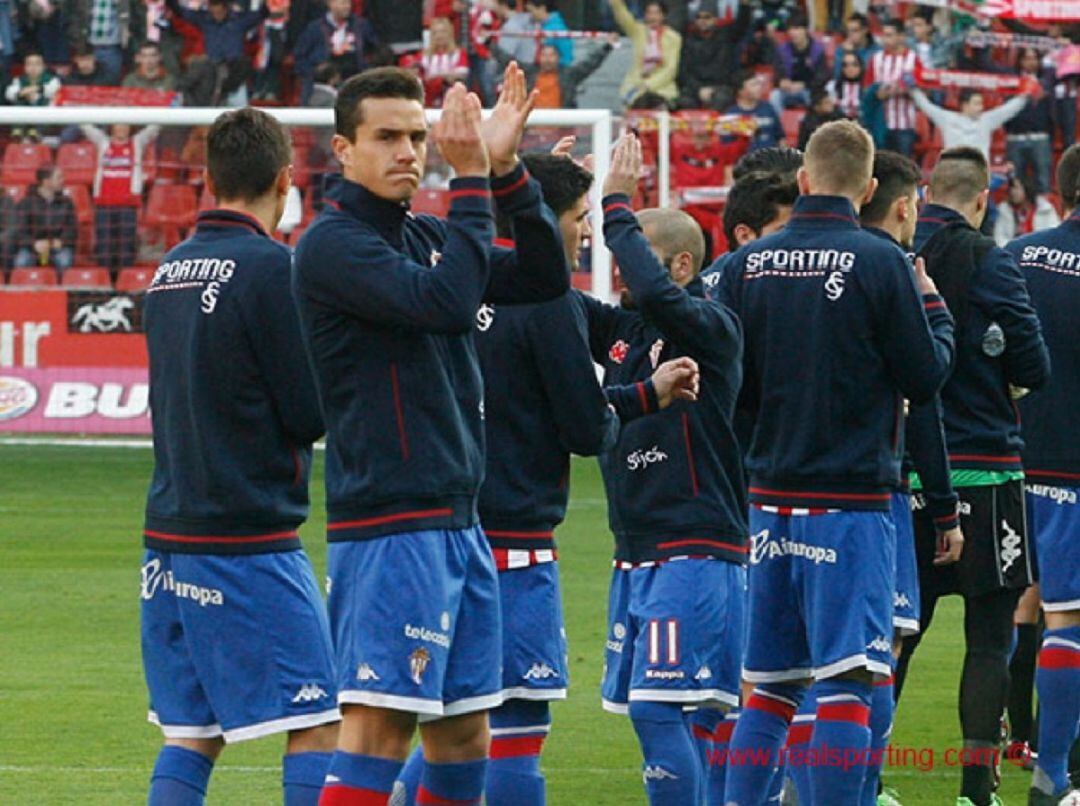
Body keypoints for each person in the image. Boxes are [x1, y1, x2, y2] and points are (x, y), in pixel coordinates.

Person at [292, 64, 568, 806]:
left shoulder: (423, 234)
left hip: (459, 520)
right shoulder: (333, 245)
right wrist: (472, 179)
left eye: (418, 136)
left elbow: (544, 277)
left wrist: (507, 173)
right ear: (344, 150)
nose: (409, 150)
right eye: (387, 137)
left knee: (463, 735)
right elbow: (448, 303)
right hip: (390, 521)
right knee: (381, 729)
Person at [395, 150, 701, 806]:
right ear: (541, 216)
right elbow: (586, 431)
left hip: (436, 531)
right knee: (514, 724)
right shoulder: (549, 303)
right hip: (512, 542)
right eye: (578, 215)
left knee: (446, 724)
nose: (585, 231)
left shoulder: (444, 281)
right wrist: (643, 397)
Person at [716, 120, 956, 806]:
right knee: (848, 677)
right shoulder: (881, 261)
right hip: (851, 503)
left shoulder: (744, 266)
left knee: (771, 683)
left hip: (767, 497)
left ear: (802, 180)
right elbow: (925, 376)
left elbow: (732, 391)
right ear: (872, 188)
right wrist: (934, 309)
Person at [140, 106, 338, 806]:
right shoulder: (271, 270)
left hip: (167, 532)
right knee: (317, 718)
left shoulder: (167, 271)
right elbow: (308, 410)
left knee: (193, 732)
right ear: (286, 181)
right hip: (246, 535)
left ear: (207, 178)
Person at [584, 133, 747, 806]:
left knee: (660, 710)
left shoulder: (712, 327)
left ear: (680, 265)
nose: (621, 272)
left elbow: (650, 284)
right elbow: (550, 301)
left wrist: (616, 203)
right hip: (638, 551)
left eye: (635, 256)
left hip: (694, 544)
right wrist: (532, 199)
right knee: (693, 713)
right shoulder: (626, 331)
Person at [898, 145, 1051, 806]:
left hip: (906, 474)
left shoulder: (892, 252)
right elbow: (1033, 362)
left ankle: (860, 778)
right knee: (989, 640)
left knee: (897, 635)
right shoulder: (991, 257)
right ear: (983, 199)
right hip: (987, 471)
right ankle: (973, 793)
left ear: (925, 194)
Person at [855, 150, 964, 806]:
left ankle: (787, 783)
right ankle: (855, 785)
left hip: (772, 492)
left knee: (793, 661)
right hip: (873, 491)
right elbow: (921, 392)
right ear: (900, 206)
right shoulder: (892, 269)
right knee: (876, 651)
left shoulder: (770, 261)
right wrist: (944, 507)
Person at [1004, 142, 1080, 806]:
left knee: (1016, 601)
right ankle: (1052, 769)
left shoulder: (1018, 253)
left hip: (1010, 458)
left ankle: (1006, 739)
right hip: (1074, 463)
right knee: (1069, 613)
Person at [81, 122, 158, 277]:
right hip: (104, 205)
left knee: (126, 245)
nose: (122, 129)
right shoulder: (103, 143)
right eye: (118, 125)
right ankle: (106, 280)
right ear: (112, 127)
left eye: (125, 125)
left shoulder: (136, 143)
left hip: (127, 205)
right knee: (104, 245)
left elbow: (154, 127)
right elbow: (86, 126)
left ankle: (125, 280)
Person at [164, 0, 267, 105]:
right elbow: (179, 11)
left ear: (226, 7)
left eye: (219, 7)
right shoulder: (203, 19)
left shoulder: (240, 20)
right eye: (212, 6)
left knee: (239, 113)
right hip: (212, 75)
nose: (215, 11)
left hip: (236, 75)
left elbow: (263, 13)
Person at [294, 0, 379, 104]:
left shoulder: (361, 26)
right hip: (323, 83)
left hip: (355, 79)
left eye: (348, 3)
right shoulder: (314, 28)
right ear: (330, 3)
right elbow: (300, 57)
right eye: (342, 2)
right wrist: (314, 73)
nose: (347, 6)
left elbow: (376, 51)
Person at [493, 38, 616, 110]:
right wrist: (488, 43)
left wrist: (607, 47)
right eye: (544, 55)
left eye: (551, 55)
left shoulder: (569, 75)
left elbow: (590, 63)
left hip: (560, 128)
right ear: (539, 57)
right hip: (532, 128)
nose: (547, 59)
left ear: (558, 58)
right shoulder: (528, 72)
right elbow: (506, 59)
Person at [911, 87, 1030, 159]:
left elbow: (1010, 109)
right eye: (977, 103)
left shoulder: (987, 120)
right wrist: (912, 88)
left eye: (981, 104)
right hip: (954, 170)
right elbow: (925, 105)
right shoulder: (946, 118)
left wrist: (1026, 93)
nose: (981, 107)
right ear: (965, 105)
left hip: (978, 172)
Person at [676, 0, 751, 111]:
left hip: (720, 87)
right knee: (683, 101)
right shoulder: (688, 41)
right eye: (699, 17)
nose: (703, 21)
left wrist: (744, 5)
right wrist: (699, 89)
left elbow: (742, 23)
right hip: (694, 88)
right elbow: (683, 73)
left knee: (722, 99)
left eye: (707, 17)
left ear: (715, 19)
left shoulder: (727, 36)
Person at [609, 0, 682, 108]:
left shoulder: (674, 38)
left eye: (656, 13)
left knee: (654, 101)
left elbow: (670, 69)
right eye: (649, 13)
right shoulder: (638, 31)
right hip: (637, 84)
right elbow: (623, 17)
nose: (652, 17)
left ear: (663, 16)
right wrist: (616, 3)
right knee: (640, 100)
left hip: (662, 87)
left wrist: (648, 85)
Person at [1005, 47, 1055, 197]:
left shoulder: (1046, 82)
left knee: (1044, 183)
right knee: (1014, 185)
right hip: (1015, 138)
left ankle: (1044, 220)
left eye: (1034, 58)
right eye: (1026, 58)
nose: (1030, 62)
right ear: (1020, 60)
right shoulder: (1011, 81)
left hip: (1039, 138)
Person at [867, 20, 919, 157]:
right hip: (881, 124)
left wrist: (908, 91)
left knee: (904, 166)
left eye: (889, 35)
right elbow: (868, 89)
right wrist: (879, 94)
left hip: (905, 124)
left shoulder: (913, 59)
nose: (885, 39)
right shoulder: (876, 59)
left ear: (901, 37)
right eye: (884, 35)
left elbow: (924, 90)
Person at [14, 166, 77, 274]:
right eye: (59, 177)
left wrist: (62, 241)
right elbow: (20, 230)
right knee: (21, 262)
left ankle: (61, 290)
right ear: (46, 181)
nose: (63, 180)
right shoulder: (26, 202)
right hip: (32, 247)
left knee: (64, 261)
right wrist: (33, 244)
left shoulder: (67, 203)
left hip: (58, 246)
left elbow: (73, 229)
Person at [769, 13, 827, 112]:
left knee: (815, 98)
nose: (792, 33)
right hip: (788, 90)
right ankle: (778, 126)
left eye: (796, 28)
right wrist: (781, 81)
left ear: (805, 30)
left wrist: (803, 84)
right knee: (775, 95)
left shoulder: (817, 50)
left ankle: (811, 124)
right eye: (790, 29)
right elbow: (777, 74)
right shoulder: (782, 50)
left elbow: (822, 77)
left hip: (809, 90)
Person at [413, 16, 469, 107]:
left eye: (443, 32)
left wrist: (435, 77)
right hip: (427, 100)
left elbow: (460, 75)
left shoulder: (459, 54)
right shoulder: (422, 56)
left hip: (452, 100)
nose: (439, 36)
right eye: (436, 33)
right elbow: (416, 75)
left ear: (450, 34)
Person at [994, 174, 1060, 247]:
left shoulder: (1046, 209)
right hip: (1013, 253)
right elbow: (999, 237)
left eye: (1016, 188)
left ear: (1027, 189)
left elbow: (1055, 235)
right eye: (1011, 188)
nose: (1013, 192)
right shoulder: (1004, 209)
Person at [725, 69, 783, 152]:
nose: (759, 88)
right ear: (741, 91)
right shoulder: (731, 115)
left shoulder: (768, 108)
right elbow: (727, 147)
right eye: (753, 85)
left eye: (758, 84)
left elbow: (781, 138)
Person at [524, 0, 573, 67]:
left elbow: (567, 58)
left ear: (542, 8)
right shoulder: (544, 26)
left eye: (531, 11)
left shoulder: (557, 29)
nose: (530, 15)